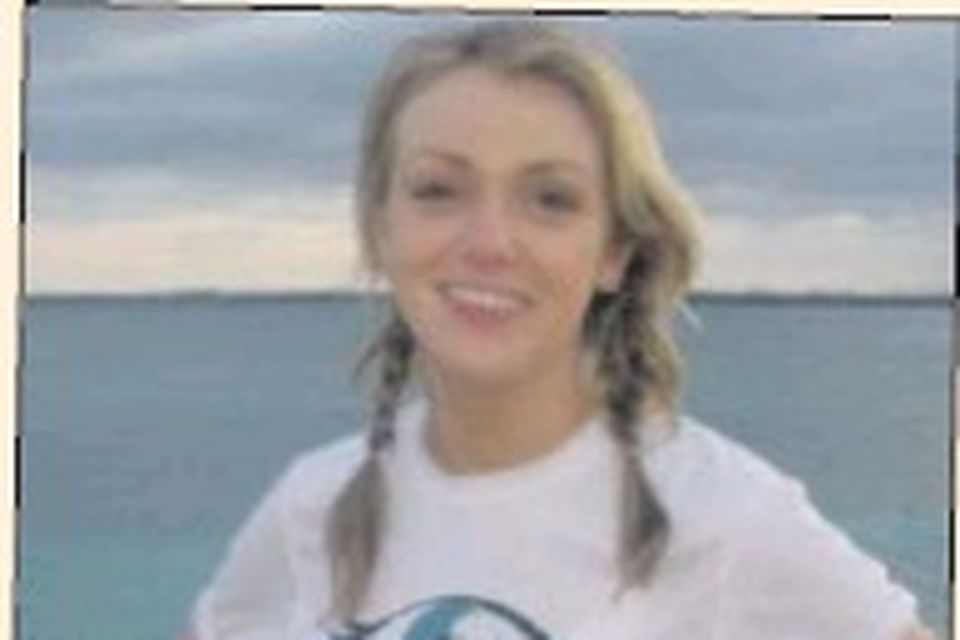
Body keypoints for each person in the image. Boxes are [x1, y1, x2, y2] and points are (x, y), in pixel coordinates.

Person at [187, 20, 934, 640]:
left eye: (550, 199)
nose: (490, 241)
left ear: (614, 251)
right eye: (439, 190)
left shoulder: (723, 514)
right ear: (381, 228)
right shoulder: (314, 503)